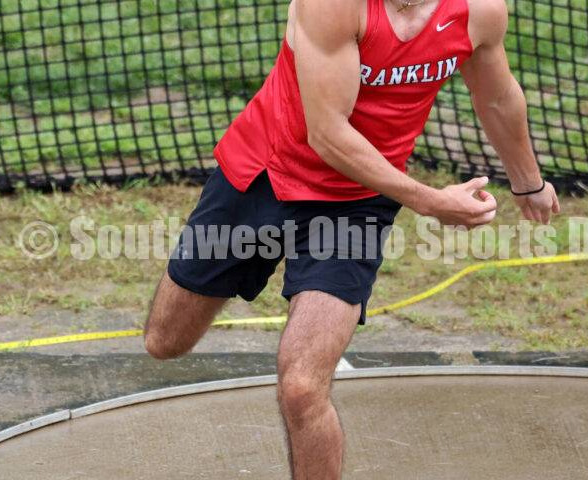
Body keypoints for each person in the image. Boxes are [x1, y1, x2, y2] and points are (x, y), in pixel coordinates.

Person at [144, 0, 560, 477]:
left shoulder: (480, 10)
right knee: (164, 341)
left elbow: (497, 97)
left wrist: (529, 183)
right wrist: (430, 201)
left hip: (357, 202)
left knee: (302, 386)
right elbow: (328, 134)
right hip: (263, 172)